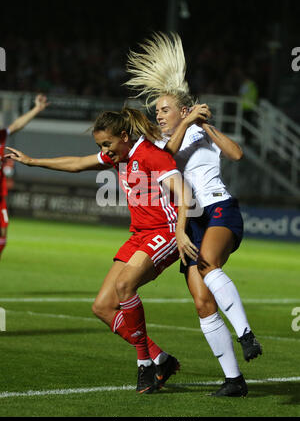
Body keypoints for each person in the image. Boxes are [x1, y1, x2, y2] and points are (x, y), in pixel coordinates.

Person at [6, 107, 199, 394]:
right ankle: (161, 358)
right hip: (139, 236)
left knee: (124, 285)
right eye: (100, 146)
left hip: (166, 233)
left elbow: (184, 193)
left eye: (106, 144)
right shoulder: (118, 155)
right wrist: (33, 161)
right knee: (103, 307)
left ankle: (145, 364)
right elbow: (76, 163)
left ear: (124, 136)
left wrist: (182, 231)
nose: (104, 151)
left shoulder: (150, 154)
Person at [125, 31, 263, 397]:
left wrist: (206, 126)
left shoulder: (200, 132)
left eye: (165, 109)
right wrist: (186, 123)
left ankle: (247, 334)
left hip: (218, 208)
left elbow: (236, 154)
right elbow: (167, 154)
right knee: (202, 303)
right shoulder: (161, 144)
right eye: (156, 111)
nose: (159, 114)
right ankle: (234, 380)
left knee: (208, 263)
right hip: (191, 222)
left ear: (183, 109)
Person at [0, 94, 49, 259]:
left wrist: (36, 108)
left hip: (0, 197)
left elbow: (16, 125)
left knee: (3, 236)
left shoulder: (1, 136)